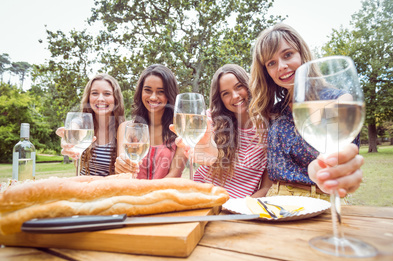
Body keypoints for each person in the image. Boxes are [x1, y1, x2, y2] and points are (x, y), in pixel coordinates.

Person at [248, 23, 364, 200]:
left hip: (319, 199)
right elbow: (271, 176)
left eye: (287, 55)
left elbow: (335, 157)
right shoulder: (275, 112)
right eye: (271, 63)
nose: (281, 66)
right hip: (274, 200)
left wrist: (320, 171)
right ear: (267, 72)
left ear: (302, 54)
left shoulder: (338, 100)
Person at [171, 64, 272, 198]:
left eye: (239, 87)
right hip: (203, 198)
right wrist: (204, 151)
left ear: (249, 85)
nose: (235, 96)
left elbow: (266, 187)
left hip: (238, 208)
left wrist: (240, 208)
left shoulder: (269, 130)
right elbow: (203, 146)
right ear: (221, 99)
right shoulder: (210, 120)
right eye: (226, 94)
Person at [114, 64, 187, 179]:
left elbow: (174, 175)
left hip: (165, 195)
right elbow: (125, 172)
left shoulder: (181, 130)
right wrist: (122, 166)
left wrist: (149, 194)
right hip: (133, 195)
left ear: (169, 94)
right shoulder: (126, 127)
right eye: (148, 90)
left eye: (160, 92)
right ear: (140, 92)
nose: (153, 97)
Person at [56, 73, 125, 176]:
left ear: (116, 99)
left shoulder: (123, 128)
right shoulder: (82, 122)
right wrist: (67, 140)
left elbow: (123, 169)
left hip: (109, 190)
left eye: (107, 94)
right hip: (82, 188)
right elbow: (72, 127)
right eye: (95, 93)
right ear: (88, 98)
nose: (100, 99)